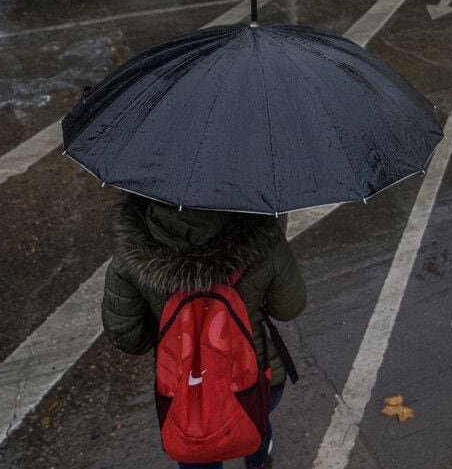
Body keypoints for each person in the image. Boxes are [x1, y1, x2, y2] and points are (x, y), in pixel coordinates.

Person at [101, 194, 306, 468]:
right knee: (254, 418)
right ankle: (258, 459)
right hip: (254, 375)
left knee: (197, 446)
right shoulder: (265, 239)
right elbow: (288, 309)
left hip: (184, 386)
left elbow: (127, 336)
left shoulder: (131, 255)